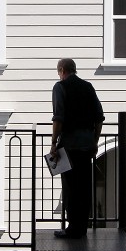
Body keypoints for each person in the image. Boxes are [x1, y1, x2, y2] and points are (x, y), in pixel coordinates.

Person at [49, 58, 104, 239]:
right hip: (87, 145)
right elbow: (99, 117)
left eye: (58, 72)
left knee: (70, 187)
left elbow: (58, 118)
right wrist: (94, 141)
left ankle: (72, 228)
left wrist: (54, 143)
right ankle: (82, 228)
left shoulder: (60, 87)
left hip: (69, 146)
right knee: (84, 187)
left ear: (62, 70)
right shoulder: (88, 87)